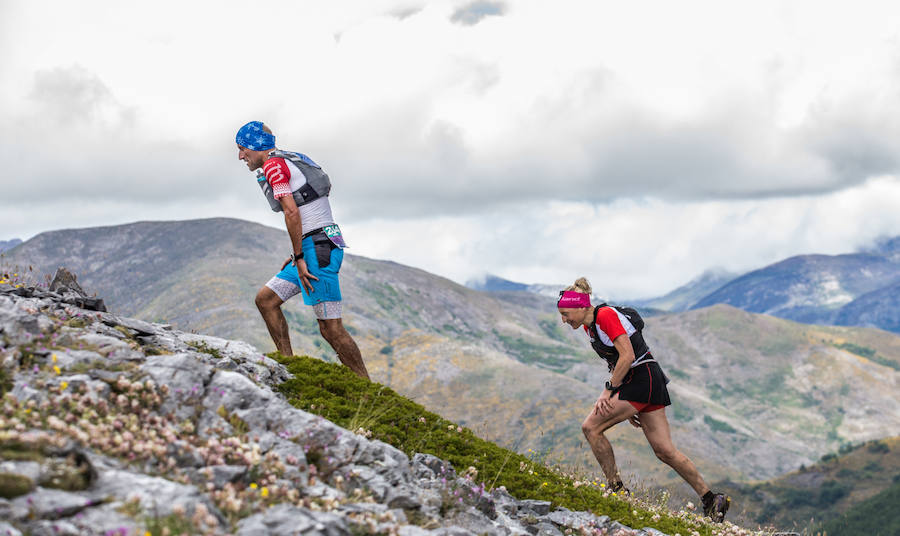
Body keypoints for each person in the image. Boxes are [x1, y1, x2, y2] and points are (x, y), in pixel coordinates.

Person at [557, 277, 730, 522]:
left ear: (581, 306)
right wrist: (626, 402)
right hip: (647, 380)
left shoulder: (604, 316)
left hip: (641, 379)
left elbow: (626, 356)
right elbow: (618, 360)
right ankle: (712, 499)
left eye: (565, 314)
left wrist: (609, 391)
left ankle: (616, 490)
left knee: (591, 427)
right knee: (664, 450)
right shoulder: (589, 326)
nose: (564, 320)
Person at [235, 121, 369, 379]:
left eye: (242, 149)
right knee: (266, 300)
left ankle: (370, 392)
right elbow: (308, 212)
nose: (241, 156)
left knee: (331, 329)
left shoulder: (274, 166)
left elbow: (292, 211)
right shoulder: (286, 159)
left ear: (254, 146)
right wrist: (298, 252)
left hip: (315, 251)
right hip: (315, 245)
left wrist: (300, 256)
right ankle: (288, 368)